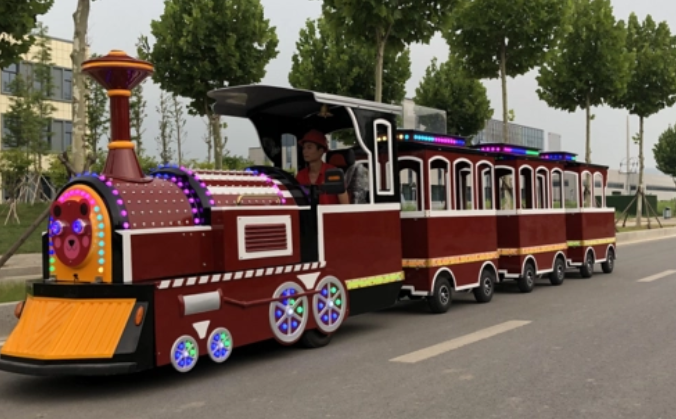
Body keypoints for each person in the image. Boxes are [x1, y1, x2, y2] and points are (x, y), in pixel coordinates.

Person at [295, 129, 349, 205]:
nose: (305, 151)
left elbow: (345, 205)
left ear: (320, 151)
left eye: (309, 147)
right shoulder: (301, 175)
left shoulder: (333, 173)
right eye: (304, 148)